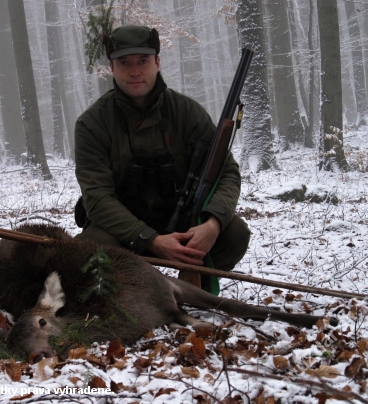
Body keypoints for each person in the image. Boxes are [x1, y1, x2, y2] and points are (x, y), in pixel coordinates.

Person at [74, 25, 250, 289]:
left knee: (234, 233)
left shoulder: (187, 112)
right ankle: (138, 288)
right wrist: (151, 239)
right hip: (121, 231)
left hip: (181, 225)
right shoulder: (92, 124)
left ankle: (185, 287)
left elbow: (226, 171)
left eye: (143, 61)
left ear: (157, 62)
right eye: (124, 63)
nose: (135, 71)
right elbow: (98, 199)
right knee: (88, 252)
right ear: (112, 67)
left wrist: (212, 224)